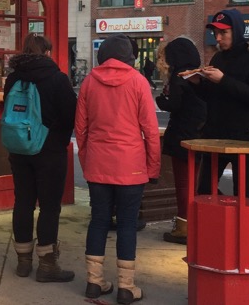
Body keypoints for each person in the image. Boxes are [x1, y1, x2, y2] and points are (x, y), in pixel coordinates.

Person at [75, 35, 160, 304]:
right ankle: (126, 286)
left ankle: (94, 281)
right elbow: (150, 131)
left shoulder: (89, 82)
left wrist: (87, 161)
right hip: (130, 166)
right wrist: (152, 167)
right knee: (126, 224)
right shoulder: (138, 82)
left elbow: (81, 129)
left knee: (98, 220)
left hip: (98, 164)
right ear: (129, 57)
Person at [3, 33, 77, 283]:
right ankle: (47, 264)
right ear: (47, 53)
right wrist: (57, 137)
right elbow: (70, 115)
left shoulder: (13, 78)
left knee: (23, 202)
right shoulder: (57, 78)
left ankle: (23, 261)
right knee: (49, 207)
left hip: (19, 149)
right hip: (49, 150)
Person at [193, 9, 249, 198]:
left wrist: (223, 80)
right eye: (215, 33)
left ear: (236, 31)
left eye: (223, 32)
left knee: (243, 194)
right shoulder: (218, 57)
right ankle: (220, 215)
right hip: (215, 136)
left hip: (244, 138)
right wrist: (196, 83)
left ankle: (235, 217)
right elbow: (212, 96)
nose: (218, 38)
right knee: (205, 190)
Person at [154, 37, 207, 245]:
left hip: (181, 136)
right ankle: (195, 222)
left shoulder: (179, 78)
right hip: (199, 135)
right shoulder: (198, 76)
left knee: (183, 182)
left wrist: (160, 100)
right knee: (194, 181)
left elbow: (174, 105)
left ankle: (183, 226)